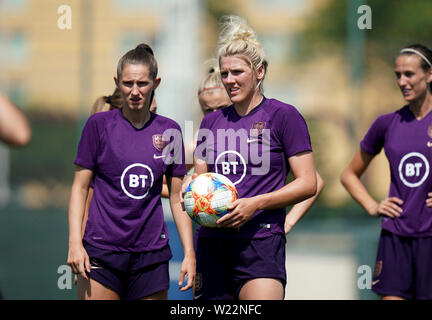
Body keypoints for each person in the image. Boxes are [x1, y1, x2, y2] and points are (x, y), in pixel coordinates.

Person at [183, 15, 318, 300]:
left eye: (237, 72)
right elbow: (200, 180)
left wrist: (256, 203)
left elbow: (308, 183)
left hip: (261, 242)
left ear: (259, 71)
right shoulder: (211, 123)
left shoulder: (284, 116)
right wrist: (190, 190)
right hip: (212, 245)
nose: (229, 80)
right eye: (225, 73)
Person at [67, 43, 195, 300]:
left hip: (151, 256)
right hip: (101, 252)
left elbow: (177, 197)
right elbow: (80, 189)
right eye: (127, 84)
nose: (135, 91)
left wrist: (190, 253)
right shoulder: (97, 126)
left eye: (142, 83)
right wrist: (74, 243)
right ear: (117, 82)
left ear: (156, 83)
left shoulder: (170, 131)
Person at [340, 44, 432, 300]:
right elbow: (349, 175)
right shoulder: (386, 124)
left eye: (409, 74)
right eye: (398, 75)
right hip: (395, 237)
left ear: (430, 74)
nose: (402, 81)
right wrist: (372, 205)